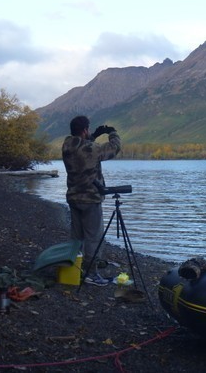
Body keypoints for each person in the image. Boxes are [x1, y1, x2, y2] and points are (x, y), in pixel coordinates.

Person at [62, 116, 121, 286]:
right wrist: (112, 132)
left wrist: (93, 135)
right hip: (90, 199)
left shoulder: (67, 144)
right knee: (93, 237)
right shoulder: (91, 149)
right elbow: (114, 148)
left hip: (74, 197)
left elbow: (84, 146)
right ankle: (91, 274)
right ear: (85, 130)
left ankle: (74, 268)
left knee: (77, 237)